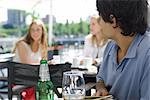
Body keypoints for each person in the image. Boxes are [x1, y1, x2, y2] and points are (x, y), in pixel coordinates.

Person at [95, 0, 150, 99]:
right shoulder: (110, 47)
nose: (99, 21)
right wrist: (101, 88)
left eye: (100, 15)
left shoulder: (147, 54)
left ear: (113, 20)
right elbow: (100, 79)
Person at [13, 19, 48, 100]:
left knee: (48, 83)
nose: (35, 32)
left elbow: (44, 65)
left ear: (42, 31)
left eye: (38, 30)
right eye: (32, 30)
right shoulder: (22, 44)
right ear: (29, 32)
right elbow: (26, 66)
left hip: (34, 77)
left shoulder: (42, 46)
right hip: (20, 78)